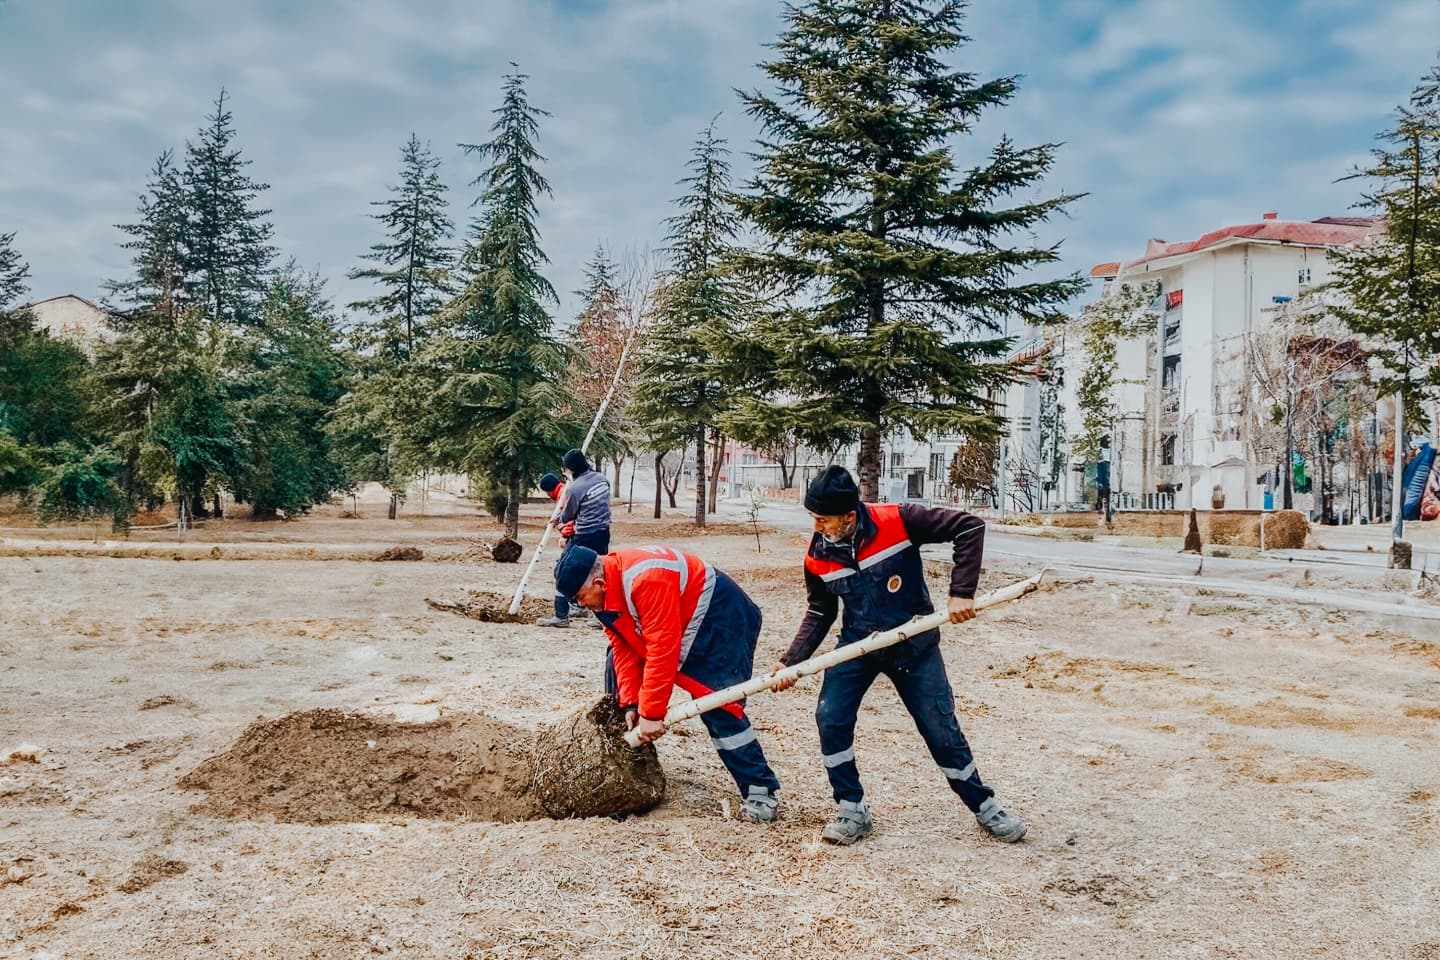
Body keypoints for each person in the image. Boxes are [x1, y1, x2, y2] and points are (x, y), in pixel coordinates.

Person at [769, 465, 1026, 845]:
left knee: (940, 730)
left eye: (823, 520)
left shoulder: (899, 520)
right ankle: (850, 809)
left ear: (849, 515)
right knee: (831, 717)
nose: (817, 527)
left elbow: (969, 526)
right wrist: (790, 661)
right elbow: (821, 612)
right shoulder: (817, 555)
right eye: (814, 519)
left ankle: (984, 806)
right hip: (859, 646)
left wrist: (962, 592)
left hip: (914, 644)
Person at [556, 543, 782, 823]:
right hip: (680, 621)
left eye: (580, 597)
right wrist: (632, 704)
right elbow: (624, 647)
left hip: (721, 618)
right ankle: (623, 769)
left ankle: (761, 792)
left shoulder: (647, 579)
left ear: (599, 583)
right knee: (614, 664)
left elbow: (662, 649)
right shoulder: (604, 592)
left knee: (719, 705)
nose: (580, 605)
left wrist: (651, 714)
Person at [536, 450, 611, 629]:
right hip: (603, 533)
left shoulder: (575, 489)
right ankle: (598, 616)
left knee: (562, 570)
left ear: (570, 469)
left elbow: (568, 514)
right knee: (599, 572)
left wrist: (557, 521)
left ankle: (561, 615)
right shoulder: (602, 479)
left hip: (584, 535)